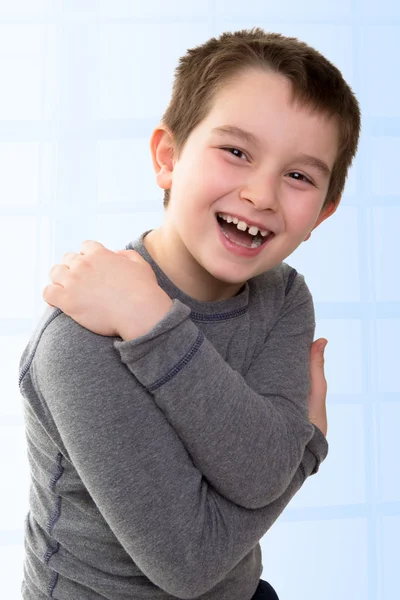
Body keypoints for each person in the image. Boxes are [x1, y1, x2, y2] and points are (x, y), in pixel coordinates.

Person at [18, 28, 360, 600]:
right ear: (169, 158)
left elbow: (260, 470)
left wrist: (153, 320)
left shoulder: (283, 295)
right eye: (236, 152)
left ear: (322, 214)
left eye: (298, 175)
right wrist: (309, 447)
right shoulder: (81, 335)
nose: (262, 194)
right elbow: (189, 562)